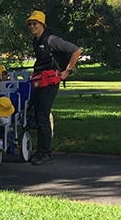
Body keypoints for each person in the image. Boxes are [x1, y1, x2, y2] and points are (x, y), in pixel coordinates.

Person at [26, 10, 82, 166]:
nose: (32, 26)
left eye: (35, 23)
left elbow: (76, 51)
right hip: (40, 81)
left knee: (42, 117)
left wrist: (67, 71)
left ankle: (45, 153)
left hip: (50, 82)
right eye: (30, 24)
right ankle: (40, 150)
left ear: (42, 24)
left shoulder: (51, 40)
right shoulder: (36, 41)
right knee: (37, 116)